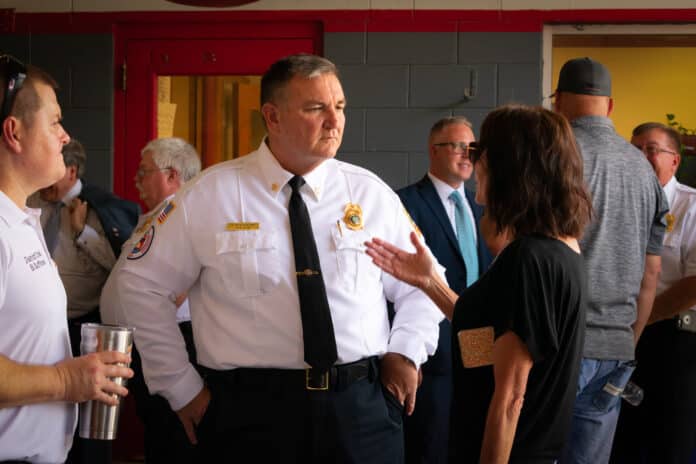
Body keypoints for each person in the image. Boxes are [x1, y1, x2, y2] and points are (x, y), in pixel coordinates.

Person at [113, 53, 443, 463]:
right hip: (250, 415)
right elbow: (140, 285)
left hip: (360, 411)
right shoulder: (211, 194)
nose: (334, 120)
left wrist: (406, 351)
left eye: (339, 107)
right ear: (272, 117)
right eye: (315, 108)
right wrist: (180, 387)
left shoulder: (369, 194)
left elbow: (426, 284)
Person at [366, 104, 592, 463]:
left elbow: (511, 397)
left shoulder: (530, 259)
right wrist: (429, 282)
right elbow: (486, 344)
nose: (473, 161)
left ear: (510, 166)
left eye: (479, 150)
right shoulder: (559, 249)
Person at [0, 54, 132, 463]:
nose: (65, 136)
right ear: (14, 132)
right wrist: (64, 380)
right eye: (54, 121)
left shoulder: (21, 218)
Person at [551, 57, 668, 464]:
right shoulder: (645, 171)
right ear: (611, 106)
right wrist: (626, 342)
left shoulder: (554, 157)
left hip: (557, 346)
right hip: (616, 350)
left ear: (558, 101)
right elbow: (651, 273)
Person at [396, 116, 492, 464]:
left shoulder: (484, 206)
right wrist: (407, 351)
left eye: (472, 148)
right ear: (433, 151)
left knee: (473, 433)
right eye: (457, 146)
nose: (467, 154)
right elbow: (397, 282)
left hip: (479, 340)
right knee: (431, 441)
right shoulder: (405, 203)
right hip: (432, 343)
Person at [100, 137, 201, 464]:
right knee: (157, 432)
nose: (136, 181)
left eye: (144, 172)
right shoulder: (158, 217)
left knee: (173, 435)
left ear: (172, 176)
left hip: (172, 341)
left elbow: (184, 282)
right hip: (144, 344)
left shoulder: (188, 214)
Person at [611, 122, 696, 464]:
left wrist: (644, 317)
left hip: (672, 341)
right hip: (619, 337)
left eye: (651, 149)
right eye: (634, 150)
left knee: (670, 441)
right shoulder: (617, 205)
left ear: (674, 161)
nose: (641, 157)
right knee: (622, 439)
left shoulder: (690, 207)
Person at [30, 138, 140, 357]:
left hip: (80, 327)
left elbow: (117, 264)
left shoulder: (102, 209)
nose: (44, 179)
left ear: (71, 171)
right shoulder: (31, 202)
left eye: (52, 168)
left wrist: (82, 232)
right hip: (37, 324)